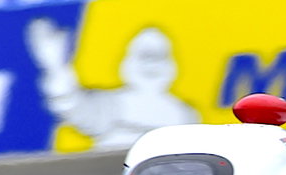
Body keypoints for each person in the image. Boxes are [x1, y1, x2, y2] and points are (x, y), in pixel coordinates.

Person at [26, 18, 199, 149]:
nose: (151, 65)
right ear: (128, 63)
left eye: (158, 56)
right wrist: (56, 67)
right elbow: (72, 106)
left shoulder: (186, 115)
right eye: (144, 56)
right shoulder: (112, 104)